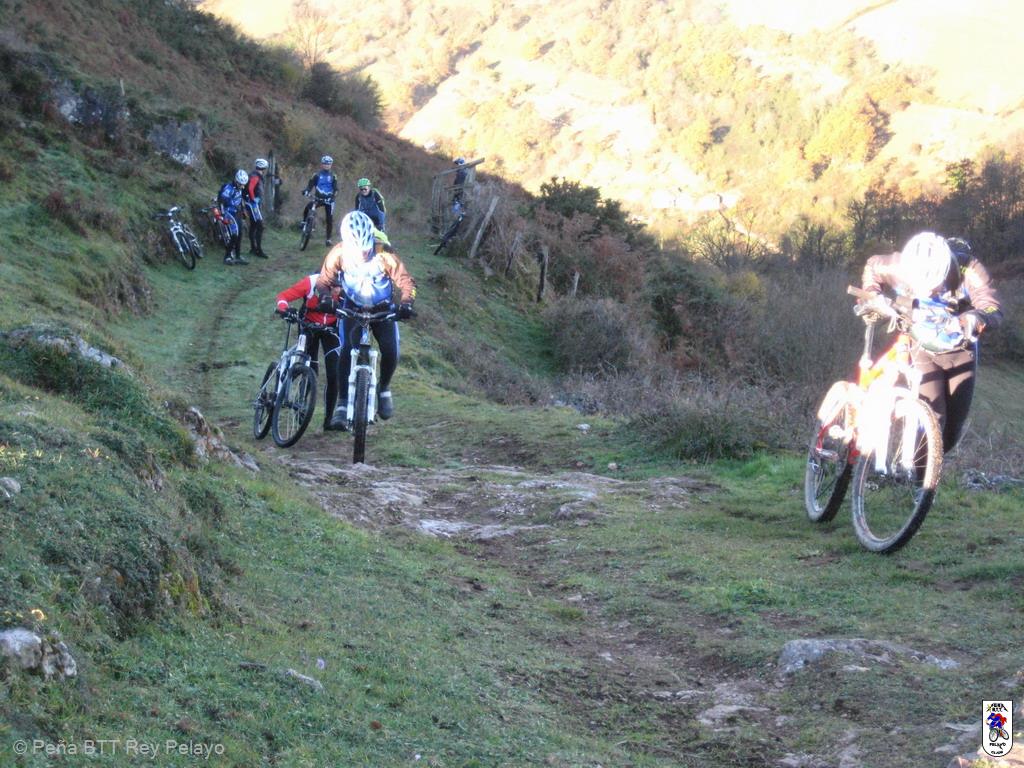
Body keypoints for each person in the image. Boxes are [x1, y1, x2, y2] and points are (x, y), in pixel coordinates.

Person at [860, 232, 1003, 453]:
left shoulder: (968, 269)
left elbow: (992, 306)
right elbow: (872, 267)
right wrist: (873, 294)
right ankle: (918, 473)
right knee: (932, 416)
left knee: (952, 430)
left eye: (934, 287)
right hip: (921, 346)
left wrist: (975, 318)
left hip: (960, 350)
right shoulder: (899, 266)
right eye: (919, 286)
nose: (927, 292)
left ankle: (931, 466)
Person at [315, 211, 415, 429]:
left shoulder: (383, 251)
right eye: (358, 250)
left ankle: (384, 389)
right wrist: (325, 299)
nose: (363, 253)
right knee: (346, 351)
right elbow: (323, 282)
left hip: (382, 308)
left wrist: (406, 303)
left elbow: (406, 281)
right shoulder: (338, 253)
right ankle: (343, 403)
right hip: (352, 306)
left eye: (366, 249)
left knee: (391, 350)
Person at [275, 274, 344, 432]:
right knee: (312, 369)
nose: (337, 290)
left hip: (330, 330)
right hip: (308, 326)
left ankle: (328, 421)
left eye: (339, 286)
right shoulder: (311, 282)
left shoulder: (348, 286)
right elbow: (283, 296)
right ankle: (300, 401)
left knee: (334, 374)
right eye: (334, 287)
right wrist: (285, 309)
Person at [302, 155, 338, 247]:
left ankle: (328, 239)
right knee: (308, 207)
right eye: (325, 163)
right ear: (322, 164)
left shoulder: (333, 176)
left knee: (329, 219)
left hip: (329, 200)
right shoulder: (316, 175)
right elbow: (310, 185)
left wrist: (333, 197)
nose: (326, 165)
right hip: (318, 198)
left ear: (331, 165)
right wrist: (306, 191)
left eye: (328, 164)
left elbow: (336, 189)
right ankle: (304, 222)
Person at [217, 169, 248, 265]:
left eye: (244, 184)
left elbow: (240, 199)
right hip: (228, 212)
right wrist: (223, 215)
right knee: (235, 234)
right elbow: (222, 200)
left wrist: (243, 210)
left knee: (240, 234)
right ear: (236, 181)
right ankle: (227, 257)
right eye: (241, 184)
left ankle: (238, 256)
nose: (242, 187)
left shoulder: (239, 188)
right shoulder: (228, 188)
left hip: (237, 212)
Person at [244, 158, 269, 258]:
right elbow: (251, 188)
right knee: (260, 226)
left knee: (254, 226)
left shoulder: (254, 175)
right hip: (253, 205)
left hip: (252, 204)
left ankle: (253, 248)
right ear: (264, 167)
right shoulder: (255, 176)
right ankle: (258, 250)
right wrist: (254, 199)